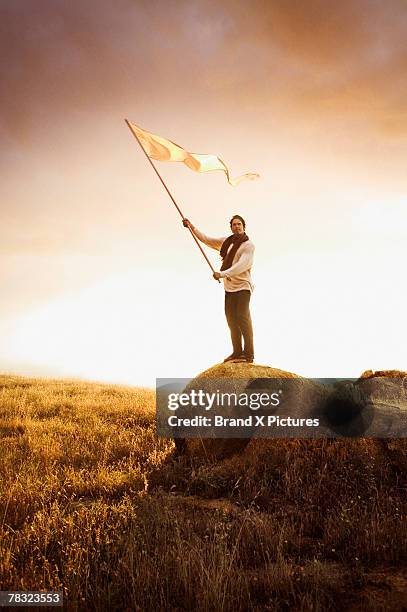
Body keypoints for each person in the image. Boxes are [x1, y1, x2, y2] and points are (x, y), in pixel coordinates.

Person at [183, 215, 255, 363]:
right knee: (231, 319)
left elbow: (242, 265)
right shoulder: (227, 242)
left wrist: (222, 274)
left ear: (244, 226)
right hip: (229, 288)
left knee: (242, 317)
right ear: (231, 227)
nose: (237, 226)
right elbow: (207, 240)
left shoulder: (248, 245)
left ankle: (249, 354)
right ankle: (237, 352)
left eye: (239, 224)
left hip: (243, 287)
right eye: (234, 224)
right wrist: (191, 227)